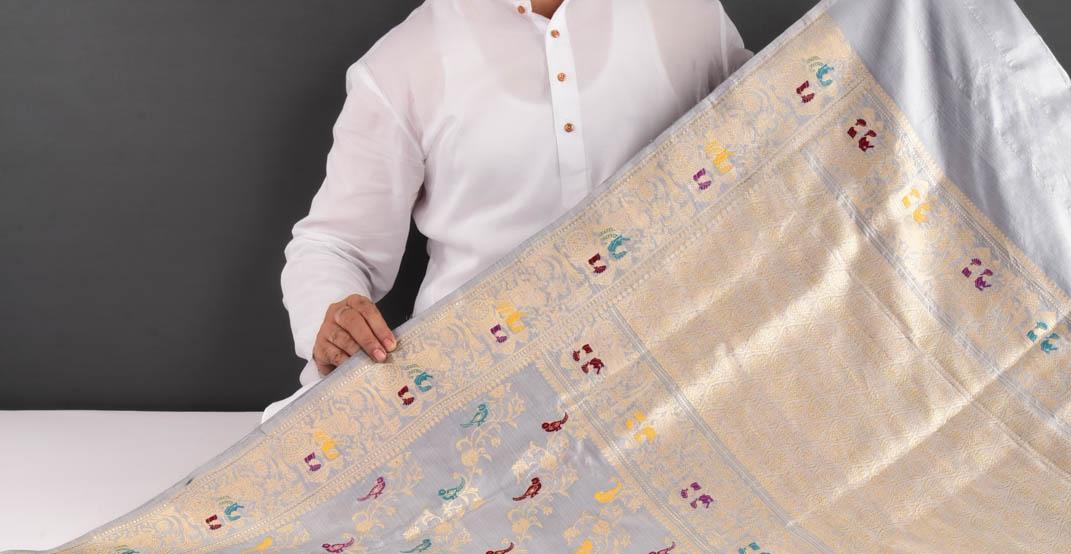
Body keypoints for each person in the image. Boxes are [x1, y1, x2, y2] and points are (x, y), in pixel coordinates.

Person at [265, 0, 751, 420]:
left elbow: (773, 144)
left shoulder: (687, 14)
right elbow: (336, 245)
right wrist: (334, 317)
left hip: (674, 382)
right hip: (474, 402)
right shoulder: (404, 63)